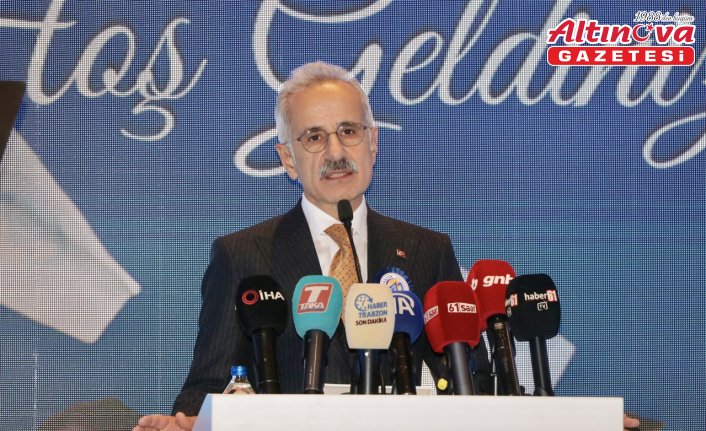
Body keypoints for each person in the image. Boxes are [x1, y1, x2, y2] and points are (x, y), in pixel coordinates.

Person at [134, 61, 639, 431]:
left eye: (348, 131)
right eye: (314, 137)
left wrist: (569, 422)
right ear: (287, 159)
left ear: (373, 142)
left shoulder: (426, 249)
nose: (336, 152)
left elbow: (478, 384)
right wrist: (187, 422)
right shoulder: (242, 255)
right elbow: (208, 386)